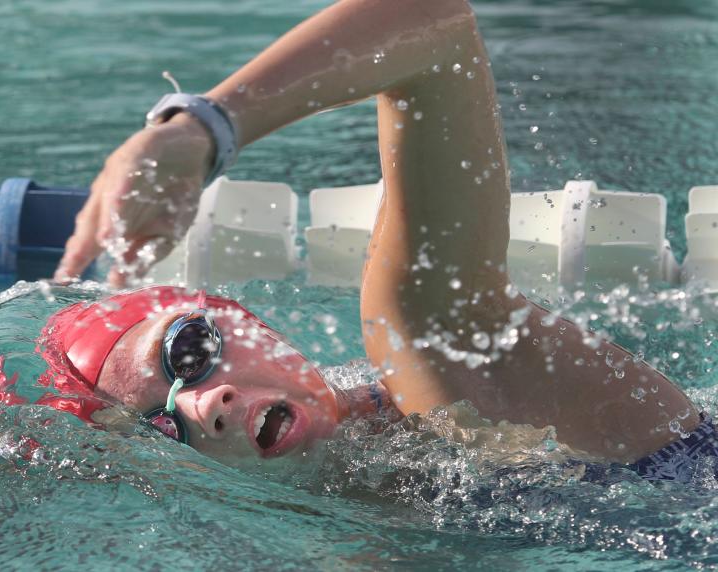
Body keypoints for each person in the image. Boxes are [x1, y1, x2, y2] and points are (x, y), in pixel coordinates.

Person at [37, 0, 711, 481]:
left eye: (189, 350)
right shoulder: (358, 510)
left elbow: (435, 30)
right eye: (163, 425)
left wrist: (204, 129)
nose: (201, 405)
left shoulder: (436, 349)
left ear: (244, 321)